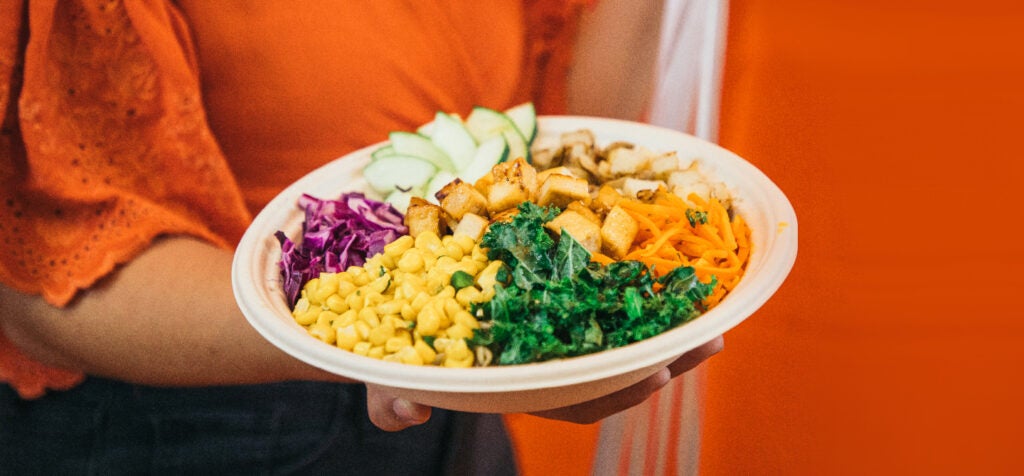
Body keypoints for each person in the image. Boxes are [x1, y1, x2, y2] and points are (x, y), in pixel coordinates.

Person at [0, 1, 724, 473]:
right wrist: (375, 337)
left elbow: (577, 129)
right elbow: (31, 280)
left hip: (452, 407)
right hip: (182, 428)